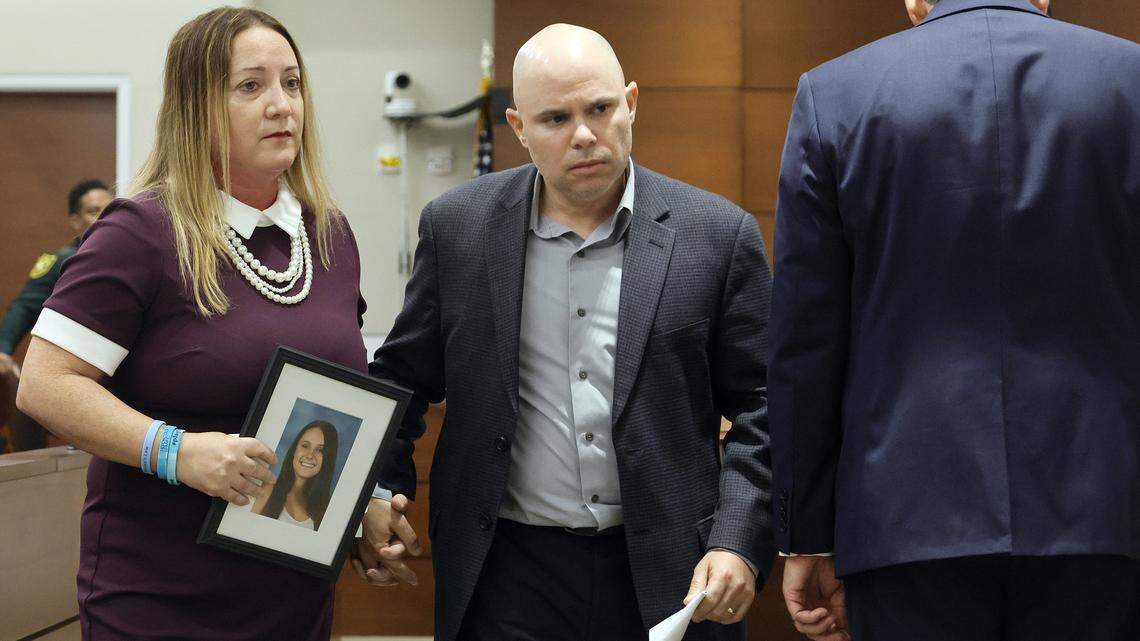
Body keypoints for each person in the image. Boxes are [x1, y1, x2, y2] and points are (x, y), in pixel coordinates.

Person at [359, 23, 775, 641]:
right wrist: (377, 490)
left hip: (672, 574)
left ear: (630, 103)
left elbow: (767, 407)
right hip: (505, 571)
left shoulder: (716, 236)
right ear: (519, 128)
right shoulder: (459, 231)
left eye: (600, 109)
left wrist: (739, 541)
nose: (584, 135)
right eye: (555, 118)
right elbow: (400, 380)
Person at [769, 1, 1140, 640]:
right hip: (1106, 510)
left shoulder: (834, 95)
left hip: (902, 520)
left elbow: (806, 341)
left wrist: (804, 532)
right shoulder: (1129, 81)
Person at [17, 7, 369, 640]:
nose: (281, 104)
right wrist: (177, 452)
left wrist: (361, 506)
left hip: (293, 603)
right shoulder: (141, 232)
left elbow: (334, 405)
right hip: (161, 599)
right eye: (251, 86)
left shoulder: (330, 237)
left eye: (292, 83)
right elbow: (44, 383)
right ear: (197, 107)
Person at [0, 180, 111, 452]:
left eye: (110, 209)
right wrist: (2, 349)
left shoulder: (130, 257)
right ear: (75, 220)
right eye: (93, 210)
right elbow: (24, 308)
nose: (103, 217)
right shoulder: (63, 261)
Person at [253, 420, 338, 531]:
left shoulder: (329, 512)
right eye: (305, 446)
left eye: (320, 450)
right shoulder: (266, 490)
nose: (309, 455)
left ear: (328, 458)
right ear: (294, 450)